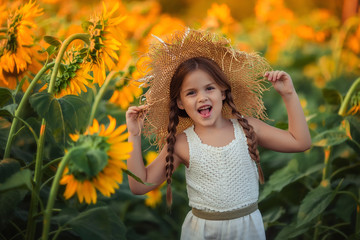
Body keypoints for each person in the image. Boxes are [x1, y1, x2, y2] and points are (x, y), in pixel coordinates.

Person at [125, 28, 311, 240]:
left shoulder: (247, 128)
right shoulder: (183, 143)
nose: (202, 98)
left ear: (223, 91)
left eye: (209, 88)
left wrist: (289, 94)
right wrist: (134, 134)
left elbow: (300, 142)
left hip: (247, 230)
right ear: (180, 103)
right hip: (203, 233)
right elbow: (140, 185)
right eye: (191, 93)